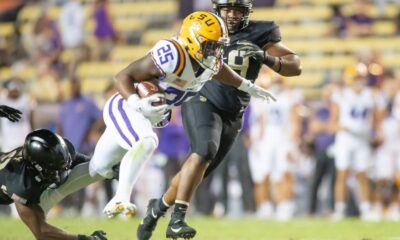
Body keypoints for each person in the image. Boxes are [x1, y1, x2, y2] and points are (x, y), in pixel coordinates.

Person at [88, 10, 275, 221]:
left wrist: (248, 86)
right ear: (193, 40)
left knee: (98, 167)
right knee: (147, 142)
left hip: (147, 115)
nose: (215, 51)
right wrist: (137, 102)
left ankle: (58, 183)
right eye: (211, 45)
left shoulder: (208, 64)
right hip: (128, 107)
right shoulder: (172, 55)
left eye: (218, 46)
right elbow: (123, 76)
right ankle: (120, 198)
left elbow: (220, 70)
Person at [137, 1, 301, 239]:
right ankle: (178, 219)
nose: (232, 15)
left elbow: (295, 67)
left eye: (238, 10)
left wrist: (266, 57)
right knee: (203, 151)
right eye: (228, 9)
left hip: (234, 112)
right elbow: (177, 55)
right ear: (218, 9)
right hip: (200, 97)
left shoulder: (261, 32)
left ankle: (158, 207)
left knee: (196, 173)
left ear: (247, 12)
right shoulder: (204, 27)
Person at [0, 128, 106, 239]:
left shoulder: (53, 153)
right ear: (36, 167)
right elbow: (41, 232)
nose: (62, 173)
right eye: (54, 170)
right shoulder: (21, 185)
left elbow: (75, 160)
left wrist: (108, 171)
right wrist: (84, 238)